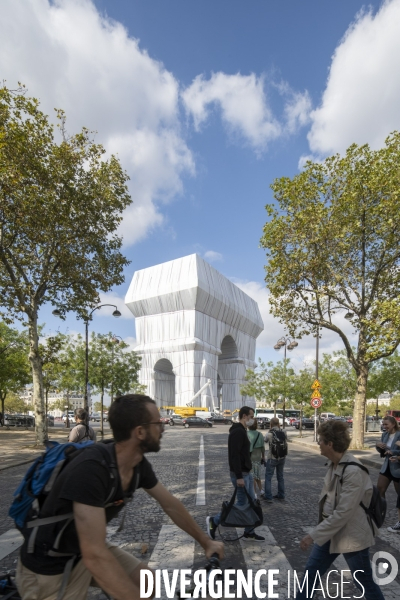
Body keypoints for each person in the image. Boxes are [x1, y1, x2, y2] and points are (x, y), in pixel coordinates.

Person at [16, 394, 223, 600]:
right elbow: (95, 556)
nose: (163, 428)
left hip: (83, 548)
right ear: (140, 432)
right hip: (50, 564)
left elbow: (171, 505)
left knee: (145, 582)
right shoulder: (92, 469)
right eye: (157, 423)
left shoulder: (138, 465)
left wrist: (205, 542)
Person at [298, 420, 385, 600]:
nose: (318, 444)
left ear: (330, 444)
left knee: (364, 580)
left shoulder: (353, 471)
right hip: (330, 531)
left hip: (351, 534)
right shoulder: (334, 464)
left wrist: (313, 534)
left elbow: (343, 512)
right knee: (310, 574)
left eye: (320, 440)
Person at [206, 406, 265, 542]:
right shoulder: (238, 432)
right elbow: (235, 456)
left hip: (246, 473)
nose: (253, 419)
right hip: (241, 475)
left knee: (249, 502)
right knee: (243, 503)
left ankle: (249, 530)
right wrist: (239, 476)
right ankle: (214, 521)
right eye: (251, 416)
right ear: (244, 416)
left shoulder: (241, 430)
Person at [376, 415, 400, 532]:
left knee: (399, 494)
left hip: (397, 467)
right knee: (379, 489)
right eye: (383, 424)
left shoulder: (399, 434)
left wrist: (393, 451)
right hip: (387, 466)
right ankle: (380, 513)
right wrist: (379, 446)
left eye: (386, 424)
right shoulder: (384, 435)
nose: (384, 427)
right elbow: (382, 451)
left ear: (393, 424)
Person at [263, 417, 287, 503]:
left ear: (271, 424)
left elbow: (265, 440)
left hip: (272, 457)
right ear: (278, 423)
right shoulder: (284, 431)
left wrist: (269, 431)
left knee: (268, 477)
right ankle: (281, 495)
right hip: (282, 457)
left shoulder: (270, 434)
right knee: (280, 476)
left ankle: (268, 496)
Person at [247, 418, 265, 501]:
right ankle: (261, 490)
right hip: (258, 456)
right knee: (257, 475)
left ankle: (254, 493)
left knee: (252, 476)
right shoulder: (260, 434)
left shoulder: (247, 434)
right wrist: (263, 457)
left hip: (250, 457)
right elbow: (262, 447)